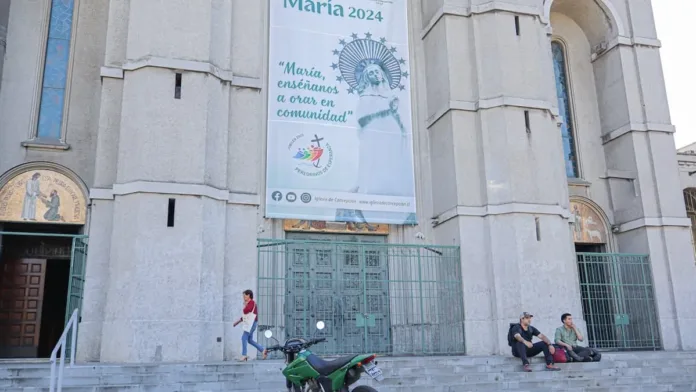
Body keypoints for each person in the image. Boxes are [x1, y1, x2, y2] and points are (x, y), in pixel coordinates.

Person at [233, 289, 267, 361]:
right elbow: (247, 316)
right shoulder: (250, 303)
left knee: (244, 337)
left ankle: (244, 355)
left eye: (245, 296)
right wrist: (238, 322)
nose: (244, 297)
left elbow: (246, 311)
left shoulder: (251, 302)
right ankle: (263, 350)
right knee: (249, 340)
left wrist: (245, 305)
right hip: (252, 323)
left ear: (249, 295)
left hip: (251, 324)